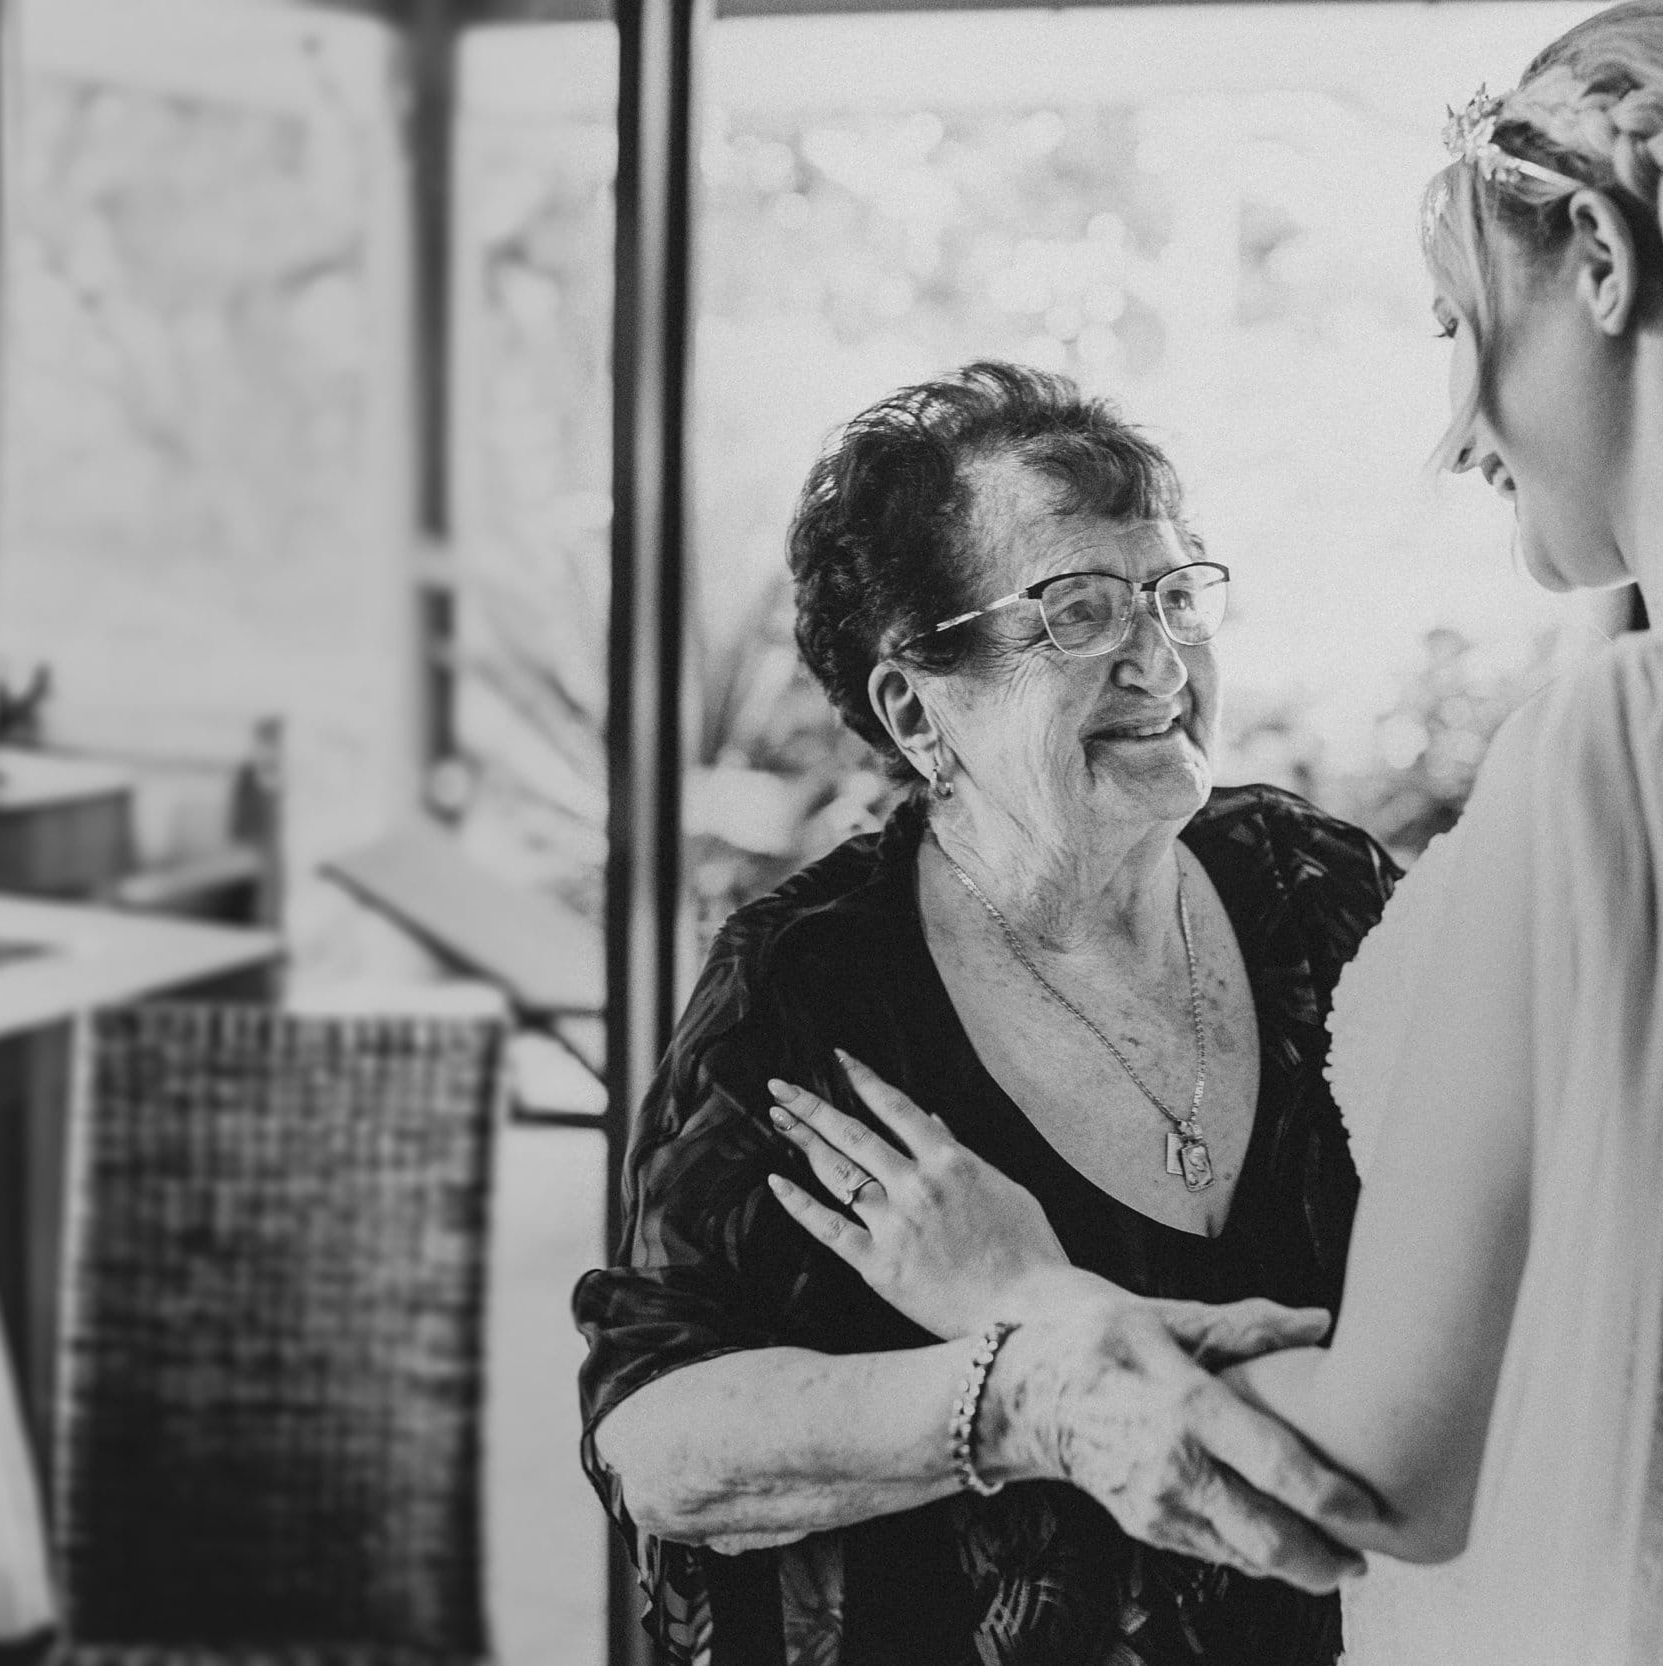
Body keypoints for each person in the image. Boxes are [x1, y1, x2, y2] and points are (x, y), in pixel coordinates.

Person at [759, 5, 1663, 1662]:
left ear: (1593, 253)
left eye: (1457, 321)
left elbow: (1380, 1473)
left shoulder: (1650, 742)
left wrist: (1028, 1302)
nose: (1460, 423)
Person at [573, 361, 1403, 1665]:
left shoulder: (1320, 895)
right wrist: (1022, 1397)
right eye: (1077, 611)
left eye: (1174, 592)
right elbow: (655, 1437)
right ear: (918, 707)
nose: (1160, 653)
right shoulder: (813, 986)